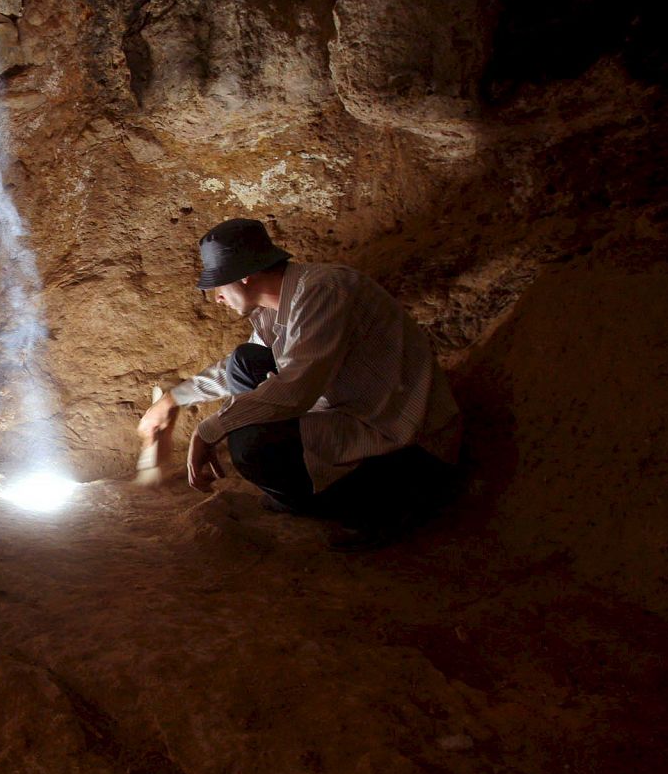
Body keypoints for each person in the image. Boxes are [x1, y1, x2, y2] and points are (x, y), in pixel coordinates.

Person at [138, 218, 461, 549]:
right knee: (246, 363)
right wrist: (172, 400)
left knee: (249, 443)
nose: (217, 298)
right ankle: (306, 492)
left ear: (245, 275)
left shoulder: (323, 292)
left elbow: (294, 392)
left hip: (410, 446)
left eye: (219, 285)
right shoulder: (274, 310)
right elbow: (236, 373)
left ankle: (380, 512)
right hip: (355, 415)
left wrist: (208, 429)